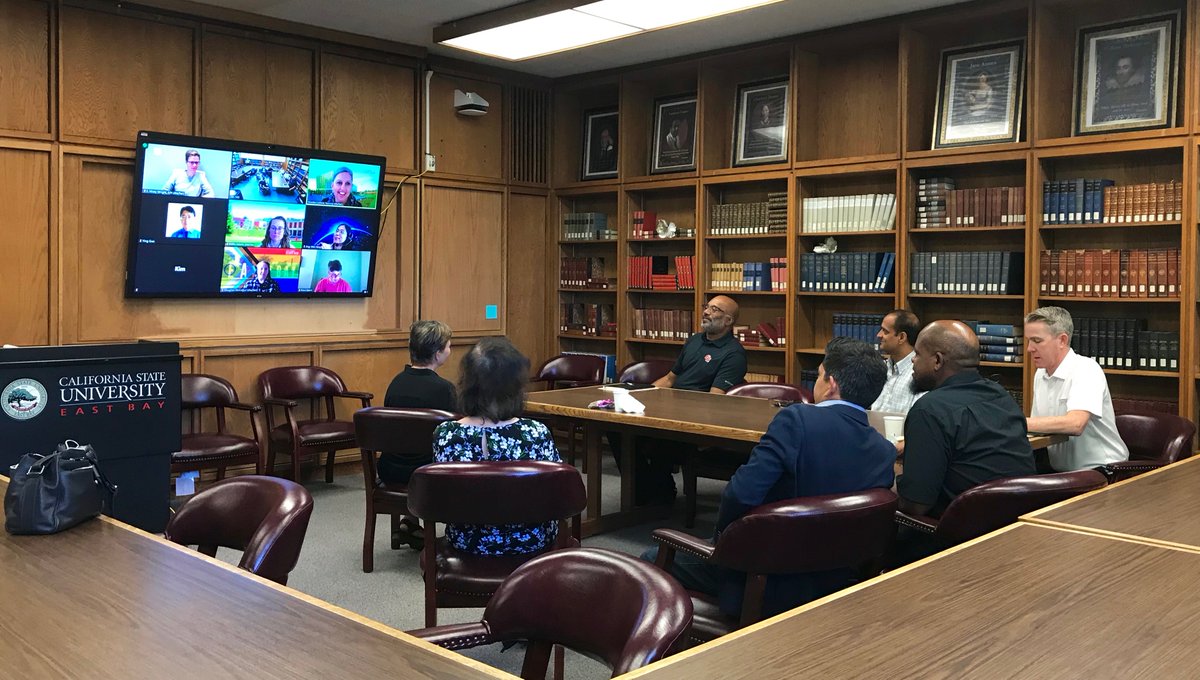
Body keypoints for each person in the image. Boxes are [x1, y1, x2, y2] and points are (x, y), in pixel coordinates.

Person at [644, 337, 895, 619]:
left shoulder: (796, 421)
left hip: (766, 579)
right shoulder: (883, 451)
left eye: (820, 375)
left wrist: (722, 543)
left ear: (832, 383)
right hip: (833, 584)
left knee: (648, 561)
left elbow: (740, 494)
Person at [431, 336, 561, 556]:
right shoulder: (536, 433)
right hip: (531, 540)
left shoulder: (445, 434)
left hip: (467, 540)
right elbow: (558, 493)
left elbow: (441, 497)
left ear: (467, 382)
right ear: (516, 385)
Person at [897, 320, 1035, 518]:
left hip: (955, 535)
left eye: (918, 354)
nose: (912, 360)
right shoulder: (1002, 396)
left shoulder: (928, 410)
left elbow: (916, 506)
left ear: (937, 360)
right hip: (1013, 526)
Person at [621, 295, 747, 505]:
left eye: (715, 310)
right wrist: (640, 396)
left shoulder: (734, 354)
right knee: (619, 430)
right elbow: (670, 379)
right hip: (668, 407)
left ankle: (657, 491)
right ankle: (650, 490)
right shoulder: (695, 340)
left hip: (694, 420)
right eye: (707, 306)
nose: (706, 312)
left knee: (646, 439)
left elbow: (714, 398)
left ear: (728, 321)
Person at [380, 319, 456, 550]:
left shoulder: (395, 384)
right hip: (427, 472)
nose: (450, 350)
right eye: (448, 346)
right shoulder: (444, 389)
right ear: (437, 353)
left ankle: (410, 525)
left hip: (390, 468)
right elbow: (455, 433)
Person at [1025, 306, 1129, 472]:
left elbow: (1075, 424)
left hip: (1101, 470)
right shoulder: (1040, 374)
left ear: (1062, 340)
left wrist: (1017, 423)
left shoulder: (1085, 369)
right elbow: (1038, 428)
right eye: (1028, 341)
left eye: (1037, 341)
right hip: (1061, 472)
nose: (1030, 348)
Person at [871, 309, 923, 414]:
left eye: (885, 331)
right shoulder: (881, 368)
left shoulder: (919, 373)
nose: (878, 335)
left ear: (901, 337)